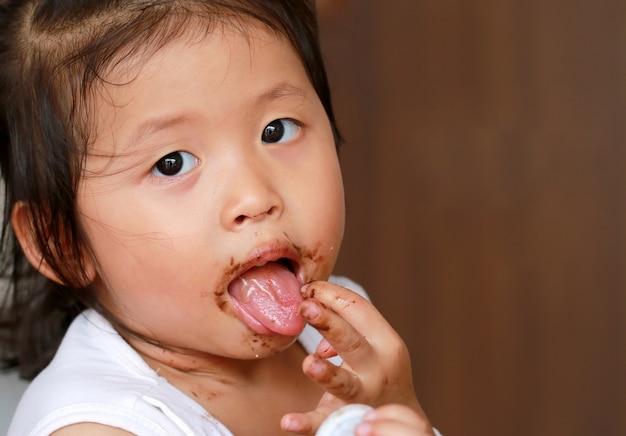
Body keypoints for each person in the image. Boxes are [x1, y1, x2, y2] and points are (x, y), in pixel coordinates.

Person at [0, 0, 439, 434]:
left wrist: (398, 407)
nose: (254, 196)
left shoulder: (342, 338)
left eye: (277, 130)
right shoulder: (98, 427)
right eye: (172, 163)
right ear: (63, 244)